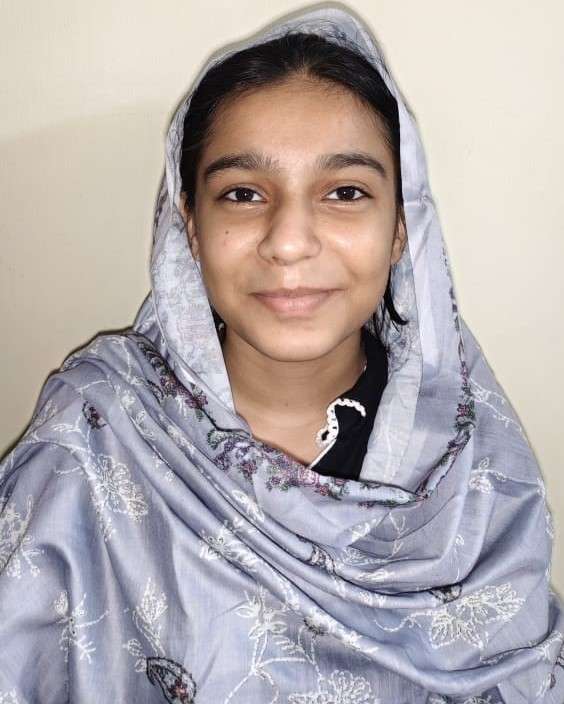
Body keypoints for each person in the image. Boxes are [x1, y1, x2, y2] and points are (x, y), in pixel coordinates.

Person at [0, 5, 562, 702]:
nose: (290, 241)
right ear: (190, 228)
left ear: (400, 229)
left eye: (345, 192)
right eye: (243, 194)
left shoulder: (470, 470)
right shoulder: (92, 438)